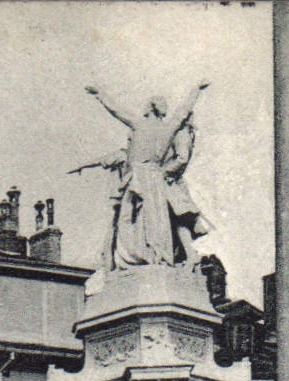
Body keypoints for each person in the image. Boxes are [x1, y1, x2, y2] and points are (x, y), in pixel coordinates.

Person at [78, 81, 212, 270]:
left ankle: (134, 258)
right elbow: (182, 112)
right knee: (156, 220)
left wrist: (100, 94)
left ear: (150, 108)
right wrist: (196, 91)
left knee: (129, 220)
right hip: (156, 177)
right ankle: (156, 256)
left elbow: (117, 110)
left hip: (138, 177)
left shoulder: (139, 125)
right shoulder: (168, 129)